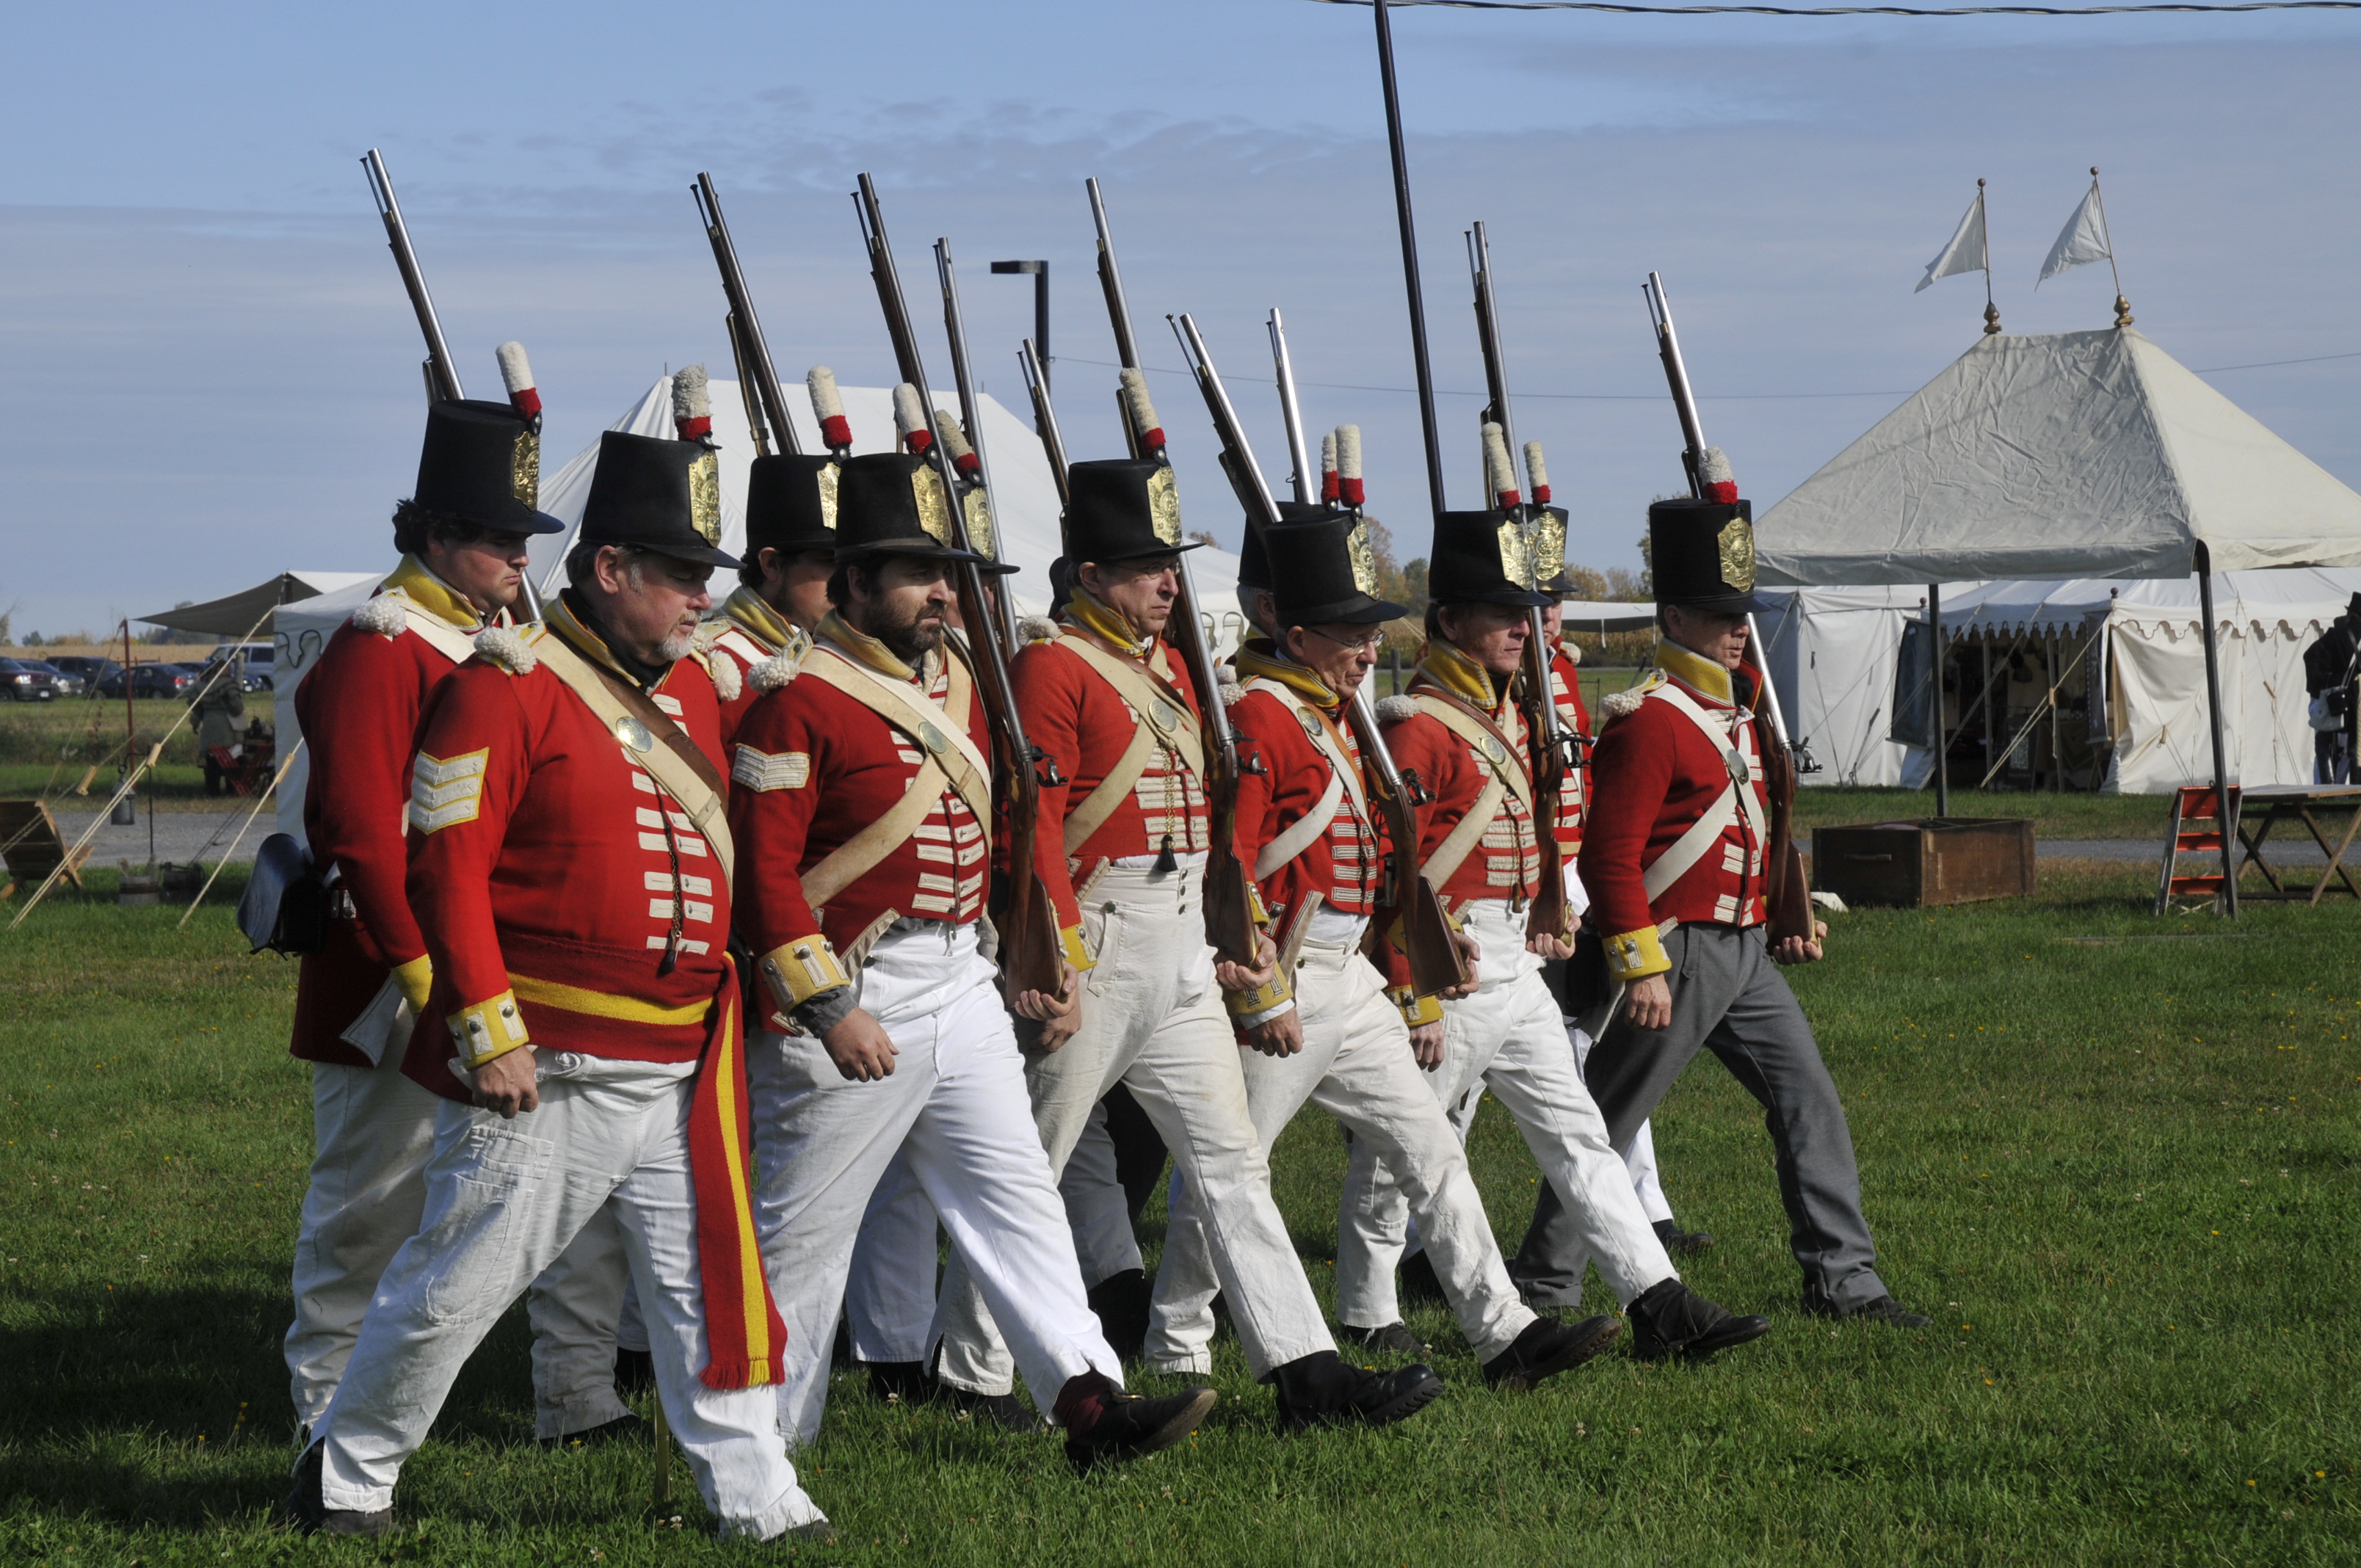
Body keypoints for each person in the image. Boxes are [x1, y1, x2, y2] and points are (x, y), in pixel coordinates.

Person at [285, 429, 830, 1543]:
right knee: (453, 1286)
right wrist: (485, 1023)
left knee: (700, 1287)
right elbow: (441, 860)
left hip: (683, 1054)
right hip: (563, 1052)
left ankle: (761, 1499)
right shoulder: (506, 686)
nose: (697, 599)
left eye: (704, 578)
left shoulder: (690, 700)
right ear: (612, 570)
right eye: (679, 575)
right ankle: (345, 1473)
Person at [927, 457, 1440, 1432]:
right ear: (1090, 576)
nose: (1168, 582)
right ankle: (974, 1376)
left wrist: (1236, 940)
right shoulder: (1054, 666)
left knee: (1233, 1164)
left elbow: (1217, 819)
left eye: (1169, 565)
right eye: (1145, 566)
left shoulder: (1169, 667)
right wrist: (1051, 957)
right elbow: (1032, 820)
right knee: (1030, 1164)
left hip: (1181, 944)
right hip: (1101, 935)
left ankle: (1306, 1372)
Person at [730, 450, 1216, 1472]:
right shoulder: (797, 699)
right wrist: (827, 1007)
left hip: (962, 979)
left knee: (1020, 1205)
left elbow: (1015, 822)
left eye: (947, 569)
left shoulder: (963, 681)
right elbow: (766, 880)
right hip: (855, 989)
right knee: (803, 1241)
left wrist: (1034, 954)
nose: (943, 589)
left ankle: (1091, 1400)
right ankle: (758, 1449)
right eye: (916, 572)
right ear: (857, 583)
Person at [1149, 511, 1609, 1393]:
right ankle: (1177, 1341)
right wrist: (1257, 992)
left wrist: (1410, 973)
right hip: (1282, 978)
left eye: (1371, 632)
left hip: (1350, 974)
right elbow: (1232, 865)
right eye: (1352, 634)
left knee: (1429, 1145)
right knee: (1230, 1173)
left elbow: (1385, 863)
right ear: (1295, 632)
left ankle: (1503, 1332)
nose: (1369, 650)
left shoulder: (1335, 713)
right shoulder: (1260, 718)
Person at [1335, 504, 1768, 1362]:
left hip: (1515, 964)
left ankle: (1660, 1303)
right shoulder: (1415, 727)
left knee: (1581, 1135)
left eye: (1527, 611)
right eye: (1503, 613)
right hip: (1450, 966)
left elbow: (1536, 830)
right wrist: (1412, 984)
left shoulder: (1516, 712)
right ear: (1450, 623)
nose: (1521, 627)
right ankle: (1367, 1309)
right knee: (1404, 1154)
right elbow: (1390, 867)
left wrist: (1546, 905)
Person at [280, 386, 628, 1448]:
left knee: (539, 1200)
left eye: (523, 538)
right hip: (396, 974)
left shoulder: (490, 643)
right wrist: (429, 978)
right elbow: (361, 834)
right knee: (367, 1211)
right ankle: (322, 1424)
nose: (519, 558)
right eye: (495, 538)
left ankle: (572, 1399)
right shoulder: (380, 649)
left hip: (494, 962)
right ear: (436, 536)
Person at [1509, 458, 1930, 1330]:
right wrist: (1643, 964)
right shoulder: (1652, 719)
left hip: (1742, 949)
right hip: (1679, 948)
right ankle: (1545, 1286)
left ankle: (1844, 1280)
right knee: (1608, 1120)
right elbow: (1609, 859)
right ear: (1675, 617)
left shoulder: (1741, 715)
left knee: (1806, 1099)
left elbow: (1766, 826)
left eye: (1742, 615)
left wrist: (1790, 913)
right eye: (1718, 615)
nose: (1738, 631)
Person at [697, 449, 838, 747]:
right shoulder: (706, 662)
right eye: (829, 563)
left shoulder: (837, 650)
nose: (846, 584)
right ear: (772, 564)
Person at [192, 655, 247, 795]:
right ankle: (232, 789)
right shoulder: (228, 685)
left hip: (209, 727)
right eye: (227, 667)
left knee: (212, 759)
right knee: (233, 759)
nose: (229, 670)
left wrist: (196, 722)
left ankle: (212, 790)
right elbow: (238, 707)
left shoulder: (203, 686)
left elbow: (196, 709)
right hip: (228, 726)